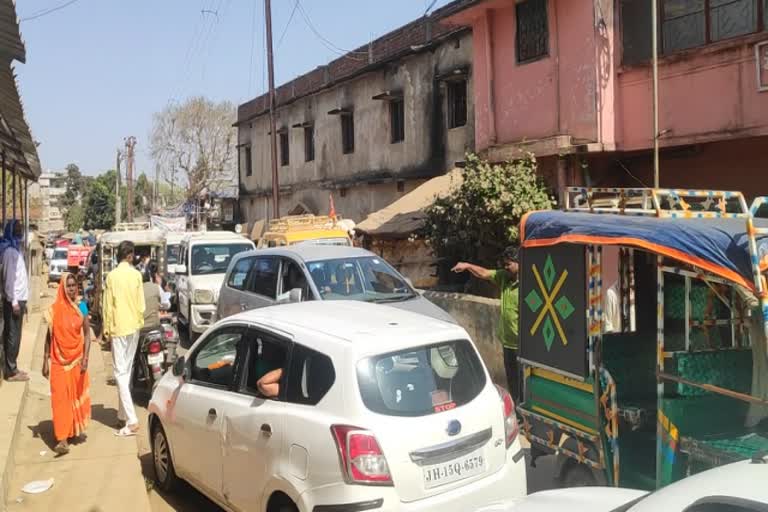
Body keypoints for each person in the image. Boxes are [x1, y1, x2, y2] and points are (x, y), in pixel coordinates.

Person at [452, 246, 521, 402]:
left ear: (519, 263)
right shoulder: (504, 277)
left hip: (522, 345)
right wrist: (468, 266)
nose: (505, 267)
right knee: (513, 383)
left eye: (508, 264)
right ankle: (517, 413)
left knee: (524, 384)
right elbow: (483, 273)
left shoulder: (528, 284)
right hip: (508, 343)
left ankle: (525, 417)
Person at [42, 273, 91, 455]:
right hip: (57, 360)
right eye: (68, 286)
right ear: (63, 287)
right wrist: (44, 359)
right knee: (59, 399)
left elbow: (87, 334)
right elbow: (49, 335)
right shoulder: (54, 309)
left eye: (74, 286)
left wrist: (85, 358)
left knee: (73, 398)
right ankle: (62, 439)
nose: (72, 289)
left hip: (77, 359)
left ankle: (70, 430)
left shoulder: (82, 307)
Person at [102, 241, 145, 437]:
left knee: (120, 373)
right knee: (125, 372)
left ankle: (132, 419)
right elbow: (141, 305)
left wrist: (106, 330)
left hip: (119, 328)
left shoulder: (111, 277)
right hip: (134, 327)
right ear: (129, 256)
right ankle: (123, 415)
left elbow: (107, 307)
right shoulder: (136, 275)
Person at [3, 220, 29, 382]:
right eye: (18, 230)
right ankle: (11, 371)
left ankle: (14, 368)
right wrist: (13, 302)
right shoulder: (9, 253)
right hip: (14, 301)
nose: (20, 233)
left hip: (20, 300)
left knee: (16, 335)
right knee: (12, 336)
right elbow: (9, 280)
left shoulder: (16, 250)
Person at [142, 261, 161, 332]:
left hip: (141, 326)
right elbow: (164, 302)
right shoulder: (156, 286)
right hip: (155, 325)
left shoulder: (137, 290)